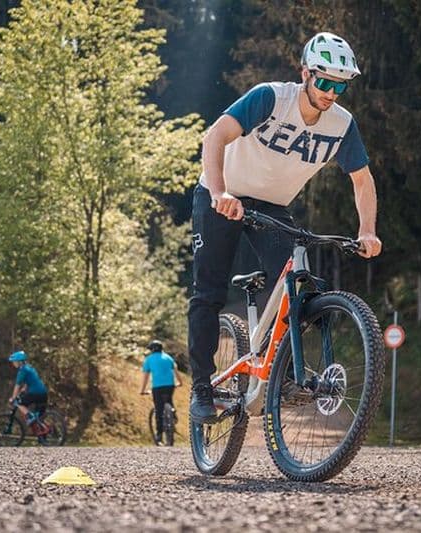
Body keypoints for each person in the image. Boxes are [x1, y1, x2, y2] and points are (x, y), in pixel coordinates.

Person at [188, 31, 382, 423]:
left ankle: (284, 375)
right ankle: (202, 388)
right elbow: (215, 137)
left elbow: (362, 179)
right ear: (305, 73)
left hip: (273, 206)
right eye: (324, 82)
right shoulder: (271, 98)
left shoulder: (342, 124)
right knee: (208, 293)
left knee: (300, 286)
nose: (331, 93)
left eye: (340, 85)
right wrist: (220, 193)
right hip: (222, 195)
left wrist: (368, 231)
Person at [139, 340, 182, 445]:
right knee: (168, 400)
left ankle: (159, 436)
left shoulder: (148, 359)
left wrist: (142, 390)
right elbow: (175, 371)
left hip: (157, 387)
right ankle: (172, 415)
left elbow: (145, 377)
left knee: (159, 409)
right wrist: (180, 382)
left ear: (152, 350)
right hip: (170, 386)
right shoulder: (168, 358)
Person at [7, 350, 48, 436]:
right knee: (39, 416)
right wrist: (23, 389)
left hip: (35, 393)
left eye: (14, 362)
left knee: (18, 403)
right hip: (43, 393)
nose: (13, 364)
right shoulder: (30, 368)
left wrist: (13, 398)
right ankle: (42, 434)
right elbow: (29, 381)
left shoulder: (22, 370)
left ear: (19, 362)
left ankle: (30, 417)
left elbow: (17, 386)